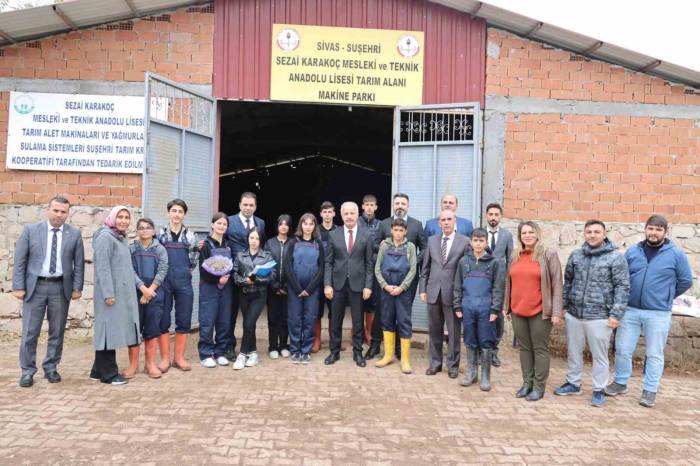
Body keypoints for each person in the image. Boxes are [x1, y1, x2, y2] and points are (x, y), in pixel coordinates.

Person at [605, 215, 693, 408]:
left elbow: (686, 280)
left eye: (658, 229)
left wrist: (666, 296)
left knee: (654, 353)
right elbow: (622, 277)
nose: (654, 233)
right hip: (630, 310)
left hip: (658, 313)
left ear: (665, 232)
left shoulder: (676, 254)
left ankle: (650, 390)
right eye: (651, 228)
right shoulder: (633, 251)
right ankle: (620, 382)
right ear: (645, 229)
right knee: (623, 349)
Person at [554, 220, 629, 407]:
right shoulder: (576, 255)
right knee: (573, 351)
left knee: (600, 355)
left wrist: (616, 315)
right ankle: (573, 383)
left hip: (600, 316)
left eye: (597, 232)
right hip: (574, 314)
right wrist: (563, 305)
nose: (592, 235)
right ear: (584, 234)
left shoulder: (615, 257)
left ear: (604, 234)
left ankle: (598, 388)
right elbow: (568, 282)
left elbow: (623, 287)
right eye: (589, 232)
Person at [13, 196, 85, 388]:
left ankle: (51, 367)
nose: (59, 215)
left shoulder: (74, 234)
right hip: (35, 287)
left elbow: (79, 264)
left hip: (60, 288)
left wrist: (77, 287)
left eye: (63, 212)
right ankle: (27, 371)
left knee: (57, 331)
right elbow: (20, 260)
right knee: (30, 331)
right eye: (56, 210)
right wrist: (18, 286)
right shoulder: (31, 231)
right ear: (48, 210)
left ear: (67, 214)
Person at [503, 221, 563, 402]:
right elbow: (509, 282)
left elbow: (557, 284)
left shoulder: (548, 255)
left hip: (540, 311)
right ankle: (527, 383)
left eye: (530, 232)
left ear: (537, 234)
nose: (527, 236)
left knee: (540, 349)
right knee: (524, 349)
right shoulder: (515, 255)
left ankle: (538, 386)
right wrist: (507, 307)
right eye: (523, 233)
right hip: (518, 310)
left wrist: (556, 312)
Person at [370, 193, 427, 360]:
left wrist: (414, 262)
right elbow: (375, 244)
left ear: (408, 205)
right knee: (382, 311)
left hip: (407, 278)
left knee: (403, 312)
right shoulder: (384, 223)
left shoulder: (416, 225)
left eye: (403, 203)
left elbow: (424, 248)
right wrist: (379, 248)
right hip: (386, 278)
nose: (400, 206)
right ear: (393, 205)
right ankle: (375, 345)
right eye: (397, 203)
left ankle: (399, 350)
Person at [90, 206, 140, 385]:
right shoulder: (105, 237)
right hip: (109, 294)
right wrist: (108, 294)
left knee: (108, 330)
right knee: (107, 331)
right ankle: (109, 374)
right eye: (120, 217)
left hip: (120, 292)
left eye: (127, 217)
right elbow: (102, 267)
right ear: (112, 218)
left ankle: (97, 371)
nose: (124, 220)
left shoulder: (120, 237)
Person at [453, 228, 505, 391]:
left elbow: (498, 288)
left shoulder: (494, 262)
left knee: (486, 342)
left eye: (481, 241)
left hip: (486, 309)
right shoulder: (464, 262)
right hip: (468, 307)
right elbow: (457, 286)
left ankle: (485, 376)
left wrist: (495, 309)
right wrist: (457, 305)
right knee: (470, 340)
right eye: (475, 240)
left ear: (486, 243)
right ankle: (471, 373)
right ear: (471, 242)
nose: (478, 243)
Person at [419, 209, 470, 378]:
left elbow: (466, 271)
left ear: (455, 221)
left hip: (453, 294)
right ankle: (435, 364)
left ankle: (453, 366)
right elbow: (425, 268)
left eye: (449, 219)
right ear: (439, 223)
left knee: (454, 331)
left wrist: (463, 294)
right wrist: (423, 289)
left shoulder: (464, 242)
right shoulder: (432, 241)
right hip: (433, 292)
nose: (446, 222)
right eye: (443, 220)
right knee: (434, 329)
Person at [323, 202, 374, 367]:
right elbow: (328, 262)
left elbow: (369, 264)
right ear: (341, 215)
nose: (350, 216)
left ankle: (358, 353)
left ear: (357, 214)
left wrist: (368, 286)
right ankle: (334, 352)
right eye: (346, 214)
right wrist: (327, 284)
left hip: (358, 284)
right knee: (336, 319)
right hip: (337, 284)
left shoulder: (366, 235)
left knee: (358, 321)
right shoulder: (334, 235)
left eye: (352, 213)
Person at [157, 199, 198, 373]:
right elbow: (156, 256)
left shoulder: (190, 235)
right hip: (164, 281)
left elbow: (193, 259)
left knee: (184, 319)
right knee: (163, 319)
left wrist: (184, 272)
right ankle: (165, 359)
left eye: (180, 211)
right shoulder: (160, 234)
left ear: (184, 214)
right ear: (168, 213)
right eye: (174, 211)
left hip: (183, 281)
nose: (176, 214)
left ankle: (179, 358)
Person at [125, 218, 169, 379]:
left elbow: (163, 270)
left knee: (152, 329)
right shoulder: (131, 249)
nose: (144, 230)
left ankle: (150, 364)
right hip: (136, 293)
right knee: (134, 330)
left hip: (155, 294)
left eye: (148, 228)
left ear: (153, 230)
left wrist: (150, 291)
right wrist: (143, 289)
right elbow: (129, 270)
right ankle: (133, 365)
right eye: (141, 228)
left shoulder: (160, 249)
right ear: (137, 231)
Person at [374, 218, 417, 374]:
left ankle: (405, 360)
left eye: (401, 230)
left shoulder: (410, 247)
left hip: (402, 291)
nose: (398, 233)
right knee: (387, 320)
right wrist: (384, 285)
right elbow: (377, 268)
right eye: (395, 230)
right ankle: (388, 355)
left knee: (404, 322)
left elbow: (413, 269)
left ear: (405, 232)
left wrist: (402, 287)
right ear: (391, 230)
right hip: (386, 290)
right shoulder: (384, 246)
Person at [226, 192, 266, 361]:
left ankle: (250, 348)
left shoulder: (261, 223)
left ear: (255, 207)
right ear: (240, 205)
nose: (248, 208)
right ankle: (229, 347)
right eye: (245, 204)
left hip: (253, 279)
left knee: (249, 315)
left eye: (251, 205)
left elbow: (260, 246)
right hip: (233, 274)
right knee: (231, 313)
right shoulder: (229, 221)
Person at [232, 227, 276, 370]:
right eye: (252, 238)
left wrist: (256, 279)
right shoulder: (240, 255)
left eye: (257, 239)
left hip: (259, 294)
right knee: (249, 324)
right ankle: (253, 352)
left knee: (248, 323)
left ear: (261, 240)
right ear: (248, 239)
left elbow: (272, 275)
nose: (254, 241)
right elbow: (235, 274)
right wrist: (245, 280)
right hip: (244, 293)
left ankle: (242, 354)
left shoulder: (267, 256)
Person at [284, 213, 325, 364]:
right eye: (305, 224)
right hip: (295, 289)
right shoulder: (293, 242)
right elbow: (288, 266)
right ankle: (295, 349)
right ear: (301, 225)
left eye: (311, 224)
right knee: (295, 319)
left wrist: (310, 288)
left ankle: (306, 350)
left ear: (314, 226)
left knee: (310, 319)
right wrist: (297, 288)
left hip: (312, 290)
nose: (308, 227)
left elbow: (321, 268)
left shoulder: (318, 243)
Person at [198, 212, 234, 368]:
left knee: (224, 321)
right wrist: (216, 279)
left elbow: (231, 265)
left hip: (226, 288)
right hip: (209, 287)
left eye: (224, 224)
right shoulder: (206, 245)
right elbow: (203, 270)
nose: (221, 226)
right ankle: (206, 353)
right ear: (212, 225)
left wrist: (227, 277)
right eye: (218, 223)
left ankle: (220, 352)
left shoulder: (228, 245)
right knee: (207, 321)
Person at [484, 202, 514, 367]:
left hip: (500, 282)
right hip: (482, 280)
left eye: (496, 215)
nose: (493, 217)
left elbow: (510, 260)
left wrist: (510, 283)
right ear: (486, 216)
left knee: (497, 316)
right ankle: (483, 350)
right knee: (483, 314)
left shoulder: (506, 236)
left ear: (500, 217)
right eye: (491, 214)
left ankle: (494, 350)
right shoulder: (480, 233)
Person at [264, 215, 292, 360]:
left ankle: (284, 345)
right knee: (273, 318)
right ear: (277, 226)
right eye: (281, 224)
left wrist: (286, 286)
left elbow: (294, 266)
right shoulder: (269, 243)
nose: (283, 227)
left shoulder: (293, 243)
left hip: (288, 288)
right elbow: (266, 264)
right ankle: (273, 346)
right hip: (272, 288)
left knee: (286, 318)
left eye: (286, 224)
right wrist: (275, 285)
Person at [313, 201, 337, 353]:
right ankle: (317, 340)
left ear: (334, 214)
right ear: (321, 214)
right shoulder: (315, 232)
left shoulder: (339, 231)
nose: (327, 215)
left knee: (335, 310)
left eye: (330, 212)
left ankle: (334, 340)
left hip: (335, 276)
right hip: (317, 275)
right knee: (317, 310)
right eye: (325, 212)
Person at [358, 194, 381, 348]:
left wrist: (371, 247)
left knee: (372, 303)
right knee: (357, 302)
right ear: (362, 206)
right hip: (357, 267)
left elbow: (381, 245)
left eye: (372, 205)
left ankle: (369, 332)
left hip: (373, 268)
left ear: (376, 207)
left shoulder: (380, 225)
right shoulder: (356, 222)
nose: (369, 207)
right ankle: (358, 332)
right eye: (367, 204)